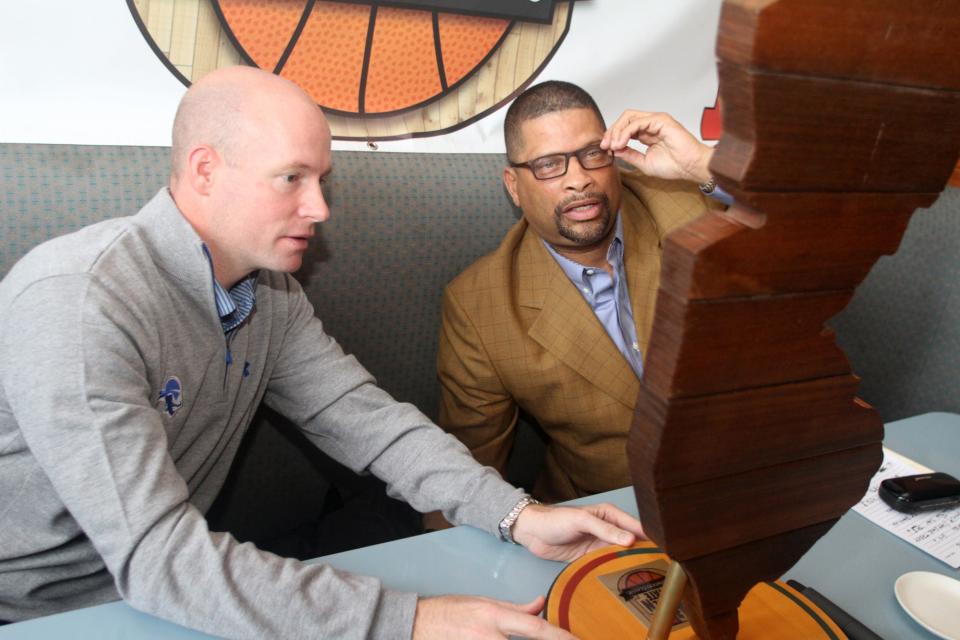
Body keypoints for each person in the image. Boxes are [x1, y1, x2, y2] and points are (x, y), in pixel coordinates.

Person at [0, 67, 645, 639]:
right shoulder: (79, 300)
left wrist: (517, 515)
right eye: (292, 179)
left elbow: (373, 425)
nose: (319, 207)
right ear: (204, 170)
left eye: (321, 180)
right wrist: (413, 620)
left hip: (166, 590)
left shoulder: (269, 295)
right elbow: (161, 562)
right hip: (39, 610)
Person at [436, 81, 727, 505]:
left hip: (756, 478)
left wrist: (704, 164)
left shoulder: (686, 206)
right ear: (513, 186)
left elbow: (823, 237)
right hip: (614, 514)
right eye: (550, 165)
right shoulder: (479, 307)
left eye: (593, 154)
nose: (579, 180)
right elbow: (468, 472)